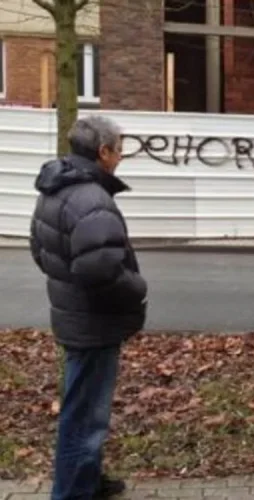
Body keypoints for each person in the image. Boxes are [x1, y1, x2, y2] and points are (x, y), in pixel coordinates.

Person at [29, 116, 148, 500]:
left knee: (83, 408)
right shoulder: (91, 198)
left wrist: (66, 283)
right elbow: (101, 270)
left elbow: (41, 249)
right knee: (85, 417)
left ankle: (88, 480)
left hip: (74, 315)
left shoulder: (55, 188)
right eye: (119, 149)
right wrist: (137, 289)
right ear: (103, 152)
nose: (121, 157)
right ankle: (71, 493)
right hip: (93, 323)